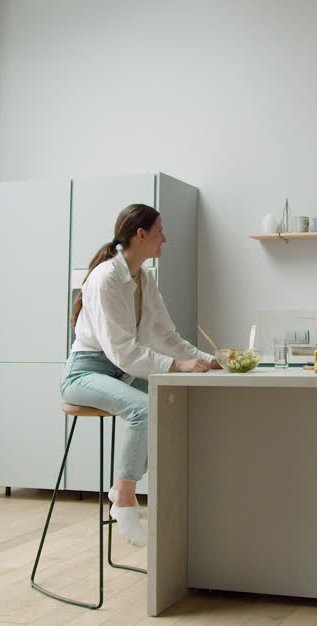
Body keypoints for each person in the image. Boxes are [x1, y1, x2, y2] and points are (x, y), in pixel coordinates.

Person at [61, 204, 218, 547]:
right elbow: (122, 351)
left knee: (171, 400)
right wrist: (178, 365)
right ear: (141, 234)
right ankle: (126, 500)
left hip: (122, 373)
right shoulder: (105, 279)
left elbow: (167, 336)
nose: (166, 238)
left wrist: (212, 360)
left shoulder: (145, 277)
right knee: (144, 410)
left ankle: (122, 486)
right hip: (85, 374)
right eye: (160, 230)